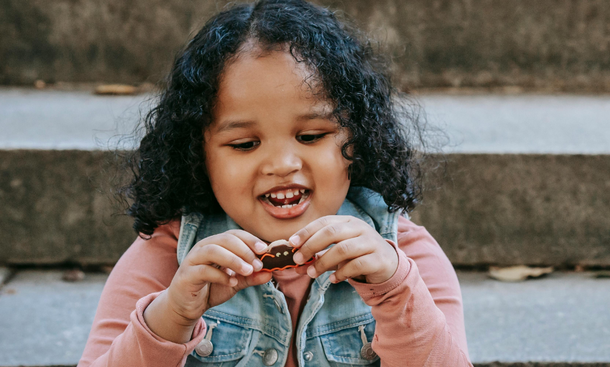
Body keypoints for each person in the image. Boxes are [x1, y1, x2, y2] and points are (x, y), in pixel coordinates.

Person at [79, 0, 470, 365]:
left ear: (358, 137)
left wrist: (394, 291)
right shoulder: (168, 254)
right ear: (197, 154)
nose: (282, 164)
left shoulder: (405, 255)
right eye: (245, 144)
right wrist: (171, 316)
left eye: (311, 136)